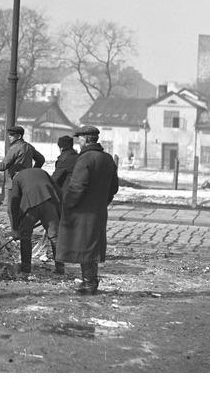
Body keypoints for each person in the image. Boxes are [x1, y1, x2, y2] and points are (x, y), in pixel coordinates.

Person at [56, 125, 119, 295]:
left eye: (80, 138)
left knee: (85, 247)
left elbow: (77, 187)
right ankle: (89, 282)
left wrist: (68, 205)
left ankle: (90, 283)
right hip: (98, 211)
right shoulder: (107, 159)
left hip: (82, 212)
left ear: (85, 139)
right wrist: (101, 202)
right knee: (91, 246)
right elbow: (114, 187)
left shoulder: (84, 159)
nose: (78, 141)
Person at [9, 167, 65, 275]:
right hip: (49, 203)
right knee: (55, 237)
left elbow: (14, 203)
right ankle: (60, 268)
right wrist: (60, 213)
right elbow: (58, 191)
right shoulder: (42, 171)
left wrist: (15, 228)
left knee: (25, 235)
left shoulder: (17, 178)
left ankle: (26, 268)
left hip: (31, 206)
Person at [0, 125, 45, 201]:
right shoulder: (29, 146)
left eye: (12, 135)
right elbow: (41, 160)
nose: (9, 137)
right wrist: (31, 172)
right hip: (27, 180)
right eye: (9, 135)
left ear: (19, 136)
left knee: (12, 206)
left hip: (14, 180)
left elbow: (2, 166)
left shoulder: (14, 148)